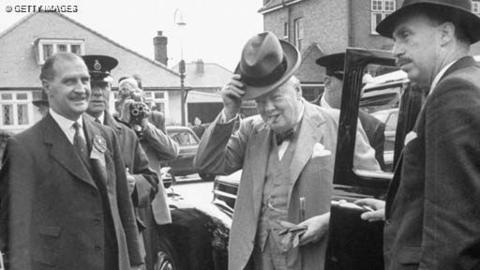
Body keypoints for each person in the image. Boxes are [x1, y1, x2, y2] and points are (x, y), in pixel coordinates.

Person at [194, 32, 379, 270]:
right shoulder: (252, 130)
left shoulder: (339, 125)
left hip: (318, 258)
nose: (267, 108)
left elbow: (372, 198)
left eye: (275, 97)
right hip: (260, 260)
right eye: (260, 101)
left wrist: (329, 221)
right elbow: (207, 165)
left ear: (298, 91)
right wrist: (229, 111)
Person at [355, 1, 480, 269]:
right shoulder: (471, 81)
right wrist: (401, 211)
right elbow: (462, 197)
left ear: (445, 34)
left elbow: (451, 234)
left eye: (405, 36)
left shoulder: (453, 92)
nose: (395, 51)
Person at [0, 52, 143, 270]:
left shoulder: (106, 135)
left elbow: (123, 206)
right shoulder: (24, 147)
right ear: (47, 87)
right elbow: (13, 230)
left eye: (84, 80)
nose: (81, 89)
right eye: (69, 81)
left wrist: (135, 261)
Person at [83, 55, 175, 270]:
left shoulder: (127, 132)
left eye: (104, 86)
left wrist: (134, 183)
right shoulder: (75, 132)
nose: (98, 92)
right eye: (91, 84)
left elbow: (151, 177)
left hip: (130, 225)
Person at [316, 53, 386, 169]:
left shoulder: (372, 127)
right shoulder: (304, 115)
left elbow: (374, 178)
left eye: (362, 86)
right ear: (327, 82)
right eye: (352, 84)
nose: (360, 92)